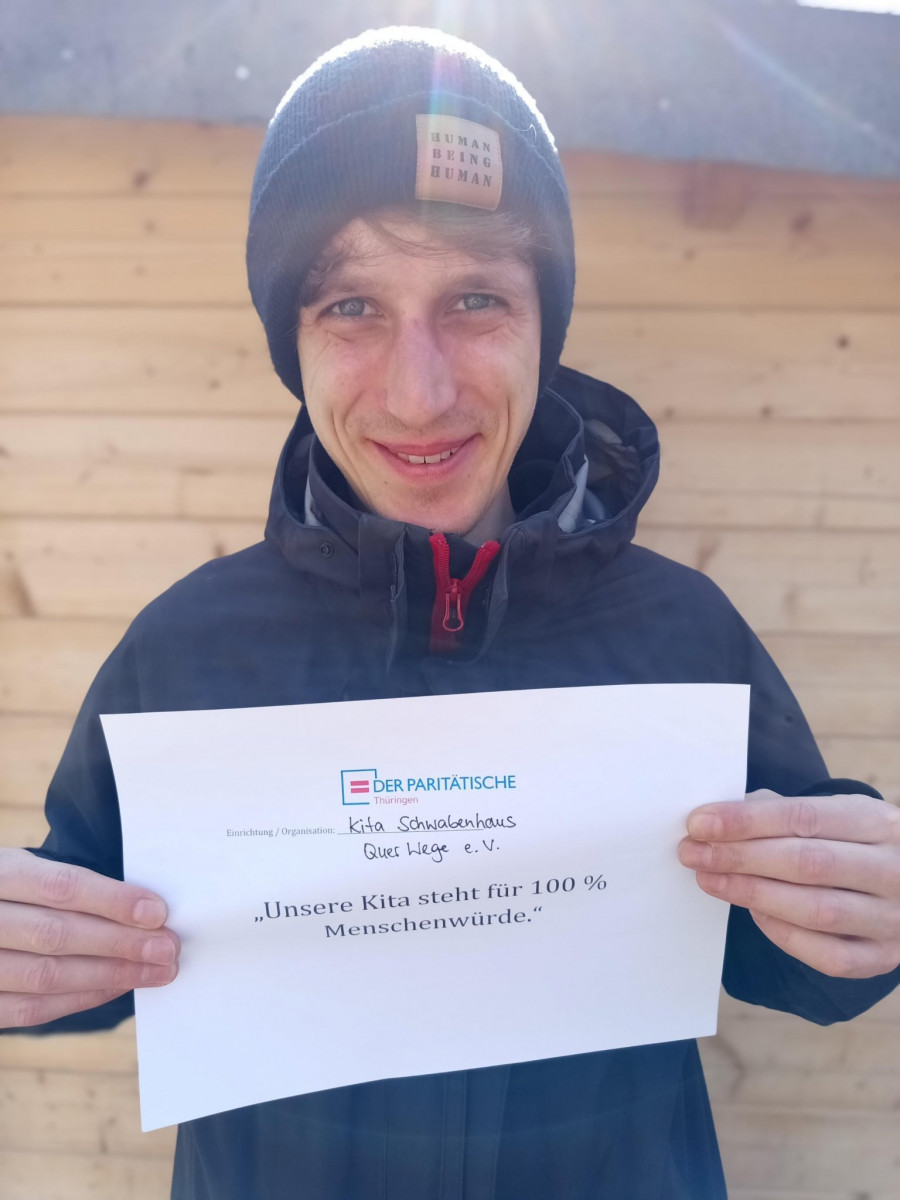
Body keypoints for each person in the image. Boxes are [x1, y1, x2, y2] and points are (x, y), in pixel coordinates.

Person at [1, 26, 899, 1200]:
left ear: (544, 324)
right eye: (352, 307)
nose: (419, 393)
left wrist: (857, 914)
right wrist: (32, 951)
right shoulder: (186, 648)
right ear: (292, 344)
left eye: (475, 299)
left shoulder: (684, 637)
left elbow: (788, 963)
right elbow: (95, 949)